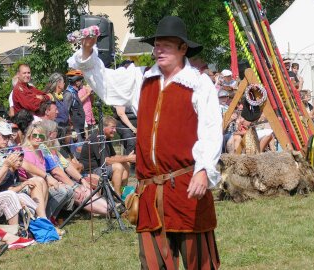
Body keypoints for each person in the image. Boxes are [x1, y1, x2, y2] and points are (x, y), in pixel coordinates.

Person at [69, 16, 222, 269]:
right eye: (157, 45)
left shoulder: (199, 83)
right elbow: (105, 84)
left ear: (183, 48)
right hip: (151, 191)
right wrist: (87, 50)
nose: (158, 50)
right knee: (152, 264)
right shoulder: (142, 79)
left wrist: (204, 169)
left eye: (166, 45)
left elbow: (211, 130)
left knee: (199, 262)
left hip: (187, 185)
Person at [0, 121, 48, 218]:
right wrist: (8, 167)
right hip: (0, 190)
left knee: (40, 180)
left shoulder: (7, 149)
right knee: (36, 183)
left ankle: (42, 219)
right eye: (4, 136)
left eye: (8, 137)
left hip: (12, 184)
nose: (6, 140)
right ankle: (42, 221)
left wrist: (45, 175)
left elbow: (23, 163)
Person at [79, 116, 135, 196]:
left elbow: (114, 157)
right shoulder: (95, 138)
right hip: (91, 171)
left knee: (126, 163)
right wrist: (127, 158)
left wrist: (127, 159)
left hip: (100, 167)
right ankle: (117, 196)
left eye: (115, 128)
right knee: (118, 166)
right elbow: (106, 160)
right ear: (103, 127)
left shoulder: (106, 138)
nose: (115, 130)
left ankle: (123, 190)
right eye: (112, 128)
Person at [64, 70, 86, 142]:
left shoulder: (74, 93)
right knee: (77, 152)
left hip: (80, 129)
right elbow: (66, 113)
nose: (82, 83)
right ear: (77, 82)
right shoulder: (69, 94)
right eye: (81, 81)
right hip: (75, 131)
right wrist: (72, 130)